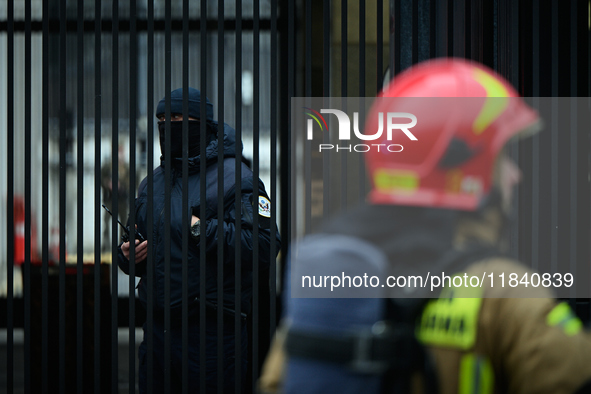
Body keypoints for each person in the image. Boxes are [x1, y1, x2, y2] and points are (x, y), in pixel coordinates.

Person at [258, 59, 591, 393]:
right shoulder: (505, 293)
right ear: (464, 166)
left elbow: (276, 382)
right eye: (503, 157)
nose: (515, 175)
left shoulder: (334, 281)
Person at [117, 87, 281, 393]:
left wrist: (199, 228)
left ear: (201, 123)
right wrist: (128, 254)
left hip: (213, 334)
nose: (168, 126)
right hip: (157, 333)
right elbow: (137, 238)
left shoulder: (237, 178)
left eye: (177, 118)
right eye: (162, 119)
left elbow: (263, 244)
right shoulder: (153, 182)